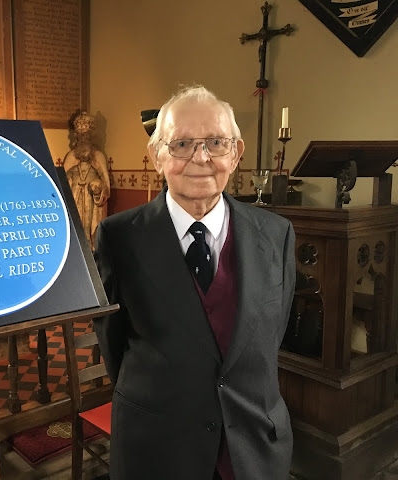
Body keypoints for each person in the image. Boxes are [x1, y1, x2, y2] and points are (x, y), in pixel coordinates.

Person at [93, 85, 296, 480]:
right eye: (182, 144)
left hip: (253, 448)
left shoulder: (277, 234)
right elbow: (113, 345)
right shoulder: (118, 238)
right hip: (157, 448)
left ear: (235, 153)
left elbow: (271, 337)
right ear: (157, 156)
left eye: (216, 143)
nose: (201, 158)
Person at [63, 111, 110, 249]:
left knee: (91, 236)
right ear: (76, 136)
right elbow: (63, 186)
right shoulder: (71, 157)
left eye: (86, 135)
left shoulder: (98, 156)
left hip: (93, 206)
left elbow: (106, 186)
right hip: (75, 203)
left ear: (91, 136)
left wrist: (99, 188)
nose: (83, 139)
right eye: (81, 135)